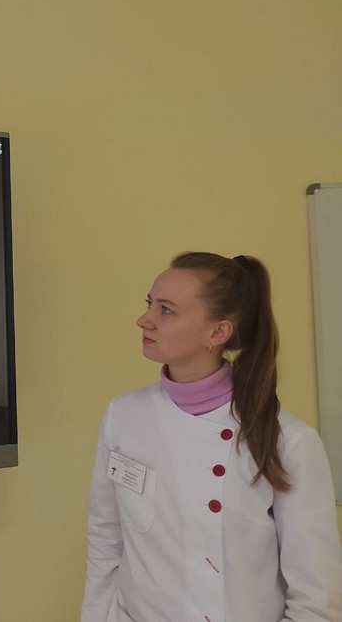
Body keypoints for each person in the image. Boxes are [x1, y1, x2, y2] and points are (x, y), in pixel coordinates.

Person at [82, 252, 342, 622]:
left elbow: (318, 599)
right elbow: (105, 542)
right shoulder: (122, 416)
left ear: (218, 332)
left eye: (166, 310)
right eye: (149, 303)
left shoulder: (288, 441)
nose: (144, 320)